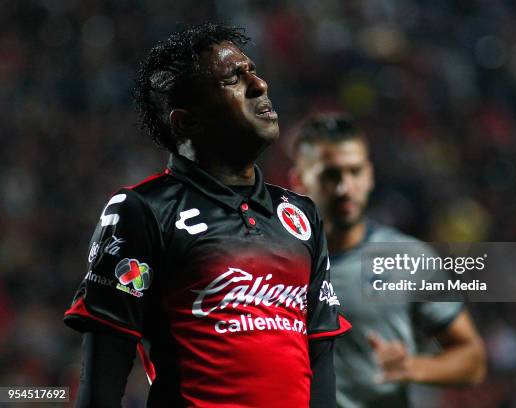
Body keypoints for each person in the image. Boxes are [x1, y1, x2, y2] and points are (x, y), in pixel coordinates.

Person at [64, 24, 350, 408]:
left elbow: (319, 355)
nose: (259, 85)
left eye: (253, 71)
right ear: (187, 121)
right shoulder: (142, 210)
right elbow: (104, 373)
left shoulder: (300, 215)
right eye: (234, 78)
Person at [289, 113, 486, 407]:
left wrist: (415, 367)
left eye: (354, 172)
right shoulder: (272, 260)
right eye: (330, 175)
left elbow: (473, 358)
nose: (345, 188)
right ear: (299, 180)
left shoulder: (406, 258)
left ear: (370, 176)